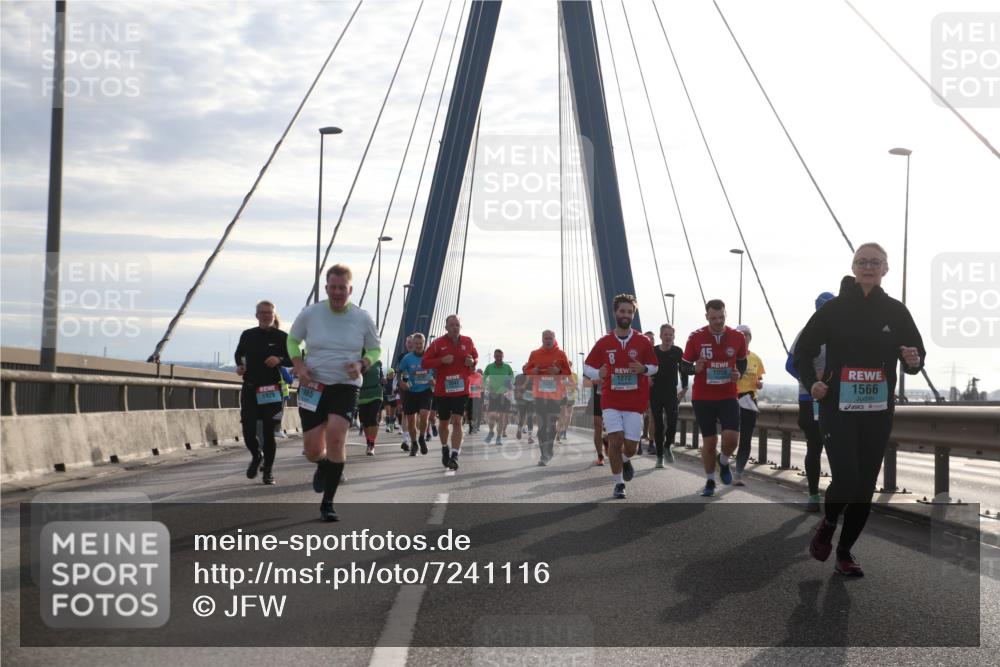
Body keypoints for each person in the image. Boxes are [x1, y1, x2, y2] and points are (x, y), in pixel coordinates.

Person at [796, 243, 924, 577]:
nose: (868, 267)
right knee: (847, 476)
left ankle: (845, 552)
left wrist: (913, 360)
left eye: (876, 262)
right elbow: (802, 353)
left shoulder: (896, 311)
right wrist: (812, 384)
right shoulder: (834, 309)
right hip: (837, 406)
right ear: (853, 267)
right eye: (862, 261)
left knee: (865, 484)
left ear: (886, 269)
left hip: (878, 410)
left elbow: (916, 354)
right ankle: (828, 522)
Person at [288, 264, 380, 522]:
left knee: (337, 436)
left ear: (350, 289)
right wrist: (299, 365)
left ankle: (327, 503)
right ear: (326, 288)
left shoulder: (363, 318)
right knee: (313, 450)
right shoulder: (310, 313)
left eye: (343, 288)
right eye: (333, 287)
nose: (338, 292)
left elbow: (375, 349)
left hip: (345, 385)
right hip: (313, 385)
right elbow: (292, 340)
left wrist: (362, 363)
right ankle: (323, 464)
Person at [584, 294, 658, 499]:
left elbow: (654, 367)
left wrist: (643, 368)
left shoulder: (643, 341)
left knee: (632, 447)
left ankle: (625, 459)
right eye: (622, 311)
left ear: (633, 314)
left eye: (629, 312)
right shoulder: (604, 342)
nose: (626, 315)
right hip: (611, 400)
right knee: (615, 441)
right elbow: (587, 366)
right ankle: (618, 484)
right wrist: (597, 373)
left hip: (635, 402)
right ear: (615, 313)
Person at [681, 299, 748, 498]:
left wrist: (739, 374)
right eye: (713, 318)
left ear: (725, 315)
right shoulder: (695, 337)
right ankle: (710, 480)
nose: (718, 321)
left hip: (728, 394)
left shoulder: (737, 337)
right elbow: (684, 366)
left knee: (732, 438)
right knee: (709, 442)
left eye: (721, 317)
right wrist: (695, 369)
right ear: (707, 317)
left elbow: (742, 363)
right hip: (703, 397)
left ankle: (724, 461)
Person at [786, 291, 835, 510]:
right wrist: (811, 380)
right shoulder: (806, 333)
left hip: (836, 398)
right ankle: (813, 496)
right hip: (809, 398)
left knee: (838, 449)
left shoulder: (842, 332)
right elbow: (790, 364)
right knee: (814, 446)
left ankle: (837, 497)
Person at [234, 300, 291, 485]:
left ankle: (268, 471)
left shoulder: (282, 337)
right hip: (250, 389)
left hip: (272, 390)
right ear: (257, 315)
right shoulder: (248, 335)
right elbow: (239, 354)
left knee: (268, 432)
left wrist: (279, 359)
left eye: (270, 312)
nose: (266, 315)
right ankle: (256, 456)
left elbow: (293, 359)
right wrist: (240, 366)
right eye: (263, 312)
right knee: (249, 430)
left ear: (274, 315)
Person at [422, 315, 478, 471]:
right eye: (452, 325)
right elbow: (424, 362)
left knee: (458, 421)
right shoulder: (437, 344)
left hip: (462, 389)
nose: (455, 327)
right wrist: (441, 360)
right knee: (444, 423)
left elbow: (475, 356)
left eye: (457, 325)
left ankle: (454, 455)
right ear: (446, 327)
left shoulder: (468, 341)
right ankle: (445, 447)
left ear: (460, 326)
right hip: (443, 391)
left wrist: (473, 362)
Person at [523, 330, 572, 465]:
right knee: (542, 427)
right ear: (542, 339)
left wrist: (558, 371)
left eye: (550, 338)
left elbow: (568, 372)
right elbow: (526, 372)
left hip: (554, 396)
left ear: (554, 339)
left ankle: (548, 450)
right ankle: (544, 454)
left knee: (550, 425)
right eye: (546, 338)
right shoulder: (534, 354)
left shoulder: (561, 354)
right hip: (539, 395)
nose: (548, 340)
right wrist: (532, 372)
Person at [649, 323, 688, 469]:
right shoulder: (653, 351)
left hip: (671, 393)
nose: (668, 337)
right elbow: (645, 368)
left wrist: (684, 387)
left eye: (670, 334)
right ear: (660, 336)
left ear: (674, 336)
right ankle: (659, 457)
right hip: (655, 392)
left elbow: (683, 370)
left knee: (672, 421)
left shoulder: (678, 351)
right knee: (658, 426)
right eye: (665, 334)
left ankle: (667, 446)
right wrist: (646, 379)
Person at [733, 324, 765, 485]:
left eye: (747, 334)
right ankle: (722, 461)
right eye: (741, 334)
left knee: (745, 439)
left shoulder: (756, 359)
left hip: (750, 400)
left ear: (750, 338)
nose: (744, 337)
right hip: (732, 399)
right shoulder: (729, 356)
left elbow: (758, 379)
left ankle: (738, 473)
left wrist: (759, 384)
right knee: (731, 438)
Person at [398, 332, 434, 457]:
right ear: (412, 344)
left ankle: (422, 437)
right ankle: (414, 443)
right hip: (411, 392)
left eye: (421, 343)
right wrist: (401, 382)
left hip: (425, 390)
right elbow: (399, 371)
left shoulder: (429, 357)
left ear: (424, 343)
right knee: (411, 421)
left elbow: (437, 372)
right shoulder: (407, 358)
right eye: (416, 343)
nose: (418, 346)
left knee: (424, 414)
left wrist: (434, 380)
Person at [483, 349, 515, 445]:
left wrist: (507, 386)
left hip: (504, 395)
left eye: (500, 356)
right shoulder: (489, 367)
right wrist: (487, 386)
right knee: (492, 416)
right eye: (497, 356)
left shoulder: (507, 367)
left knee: (501, 416)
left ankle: (499, 437)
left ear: (503, 356)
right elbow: (484, 378)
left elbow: (512, 378)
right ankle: (491, 431)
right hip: (493, 394)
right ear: (494, 356)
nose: (499, 358)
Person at [358, 358, 384, 455]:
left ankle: (371, 444)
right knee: (365, 420)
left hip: (376, 393)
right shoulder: (358, 360)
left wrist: (382, 380)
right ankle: (368, 441)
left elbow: (380, 375)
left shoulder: (378, 362)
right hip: (362, 393)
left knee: (372, 417)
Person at [585, 376, 607, 465]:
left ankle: (606, 441)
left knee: (611, 428)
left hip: (613, 398)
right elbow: (585, 383)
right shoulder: (591, 363)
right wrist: (594, 381)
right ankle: (600, 456)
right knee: (598, 428)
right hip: (596, 399)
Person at [513, 373, 535, 444]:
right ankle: (522, 432)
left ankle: (529, 436)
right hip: (524, 399)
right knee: (524, 417)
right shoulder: (519, 377)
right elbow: (515, 387)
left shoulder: (534, 377)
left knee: (528, 417)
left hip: (530, 400)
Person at [465, 368, 484, 434]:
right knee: (469, 412)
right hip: (468, 396)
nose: (472, 369)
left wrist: (480, 387)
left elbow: (483, 386)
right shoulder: (466, 374)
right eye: (470, 367)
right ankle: (471, 426)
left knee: (475, 411)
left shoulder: (479, 376)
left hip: (476, 396)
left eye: (473, 367)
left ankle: (474, 426)